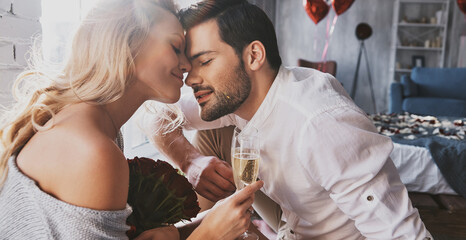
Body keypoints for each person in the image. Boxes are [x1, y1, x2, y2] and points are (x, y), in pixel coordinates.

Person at [143, 0, 433, 239]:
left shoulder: (321, 124)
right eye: (189, 66)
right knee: (204, 139)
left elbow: (403, 234)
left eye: (205, 62)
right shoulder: (237, 97)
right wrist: (190, 161)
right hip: (287, 226)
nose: (191, 79)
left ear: (254, 55)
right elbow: (154, 114)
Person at [0, 0, 264, 239]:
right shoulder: (93, 151)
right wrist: (208, 236)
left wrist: (200, 225)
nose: (187, 65)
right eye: (176, 47)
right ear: (127, 43)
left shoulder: (92, 124)